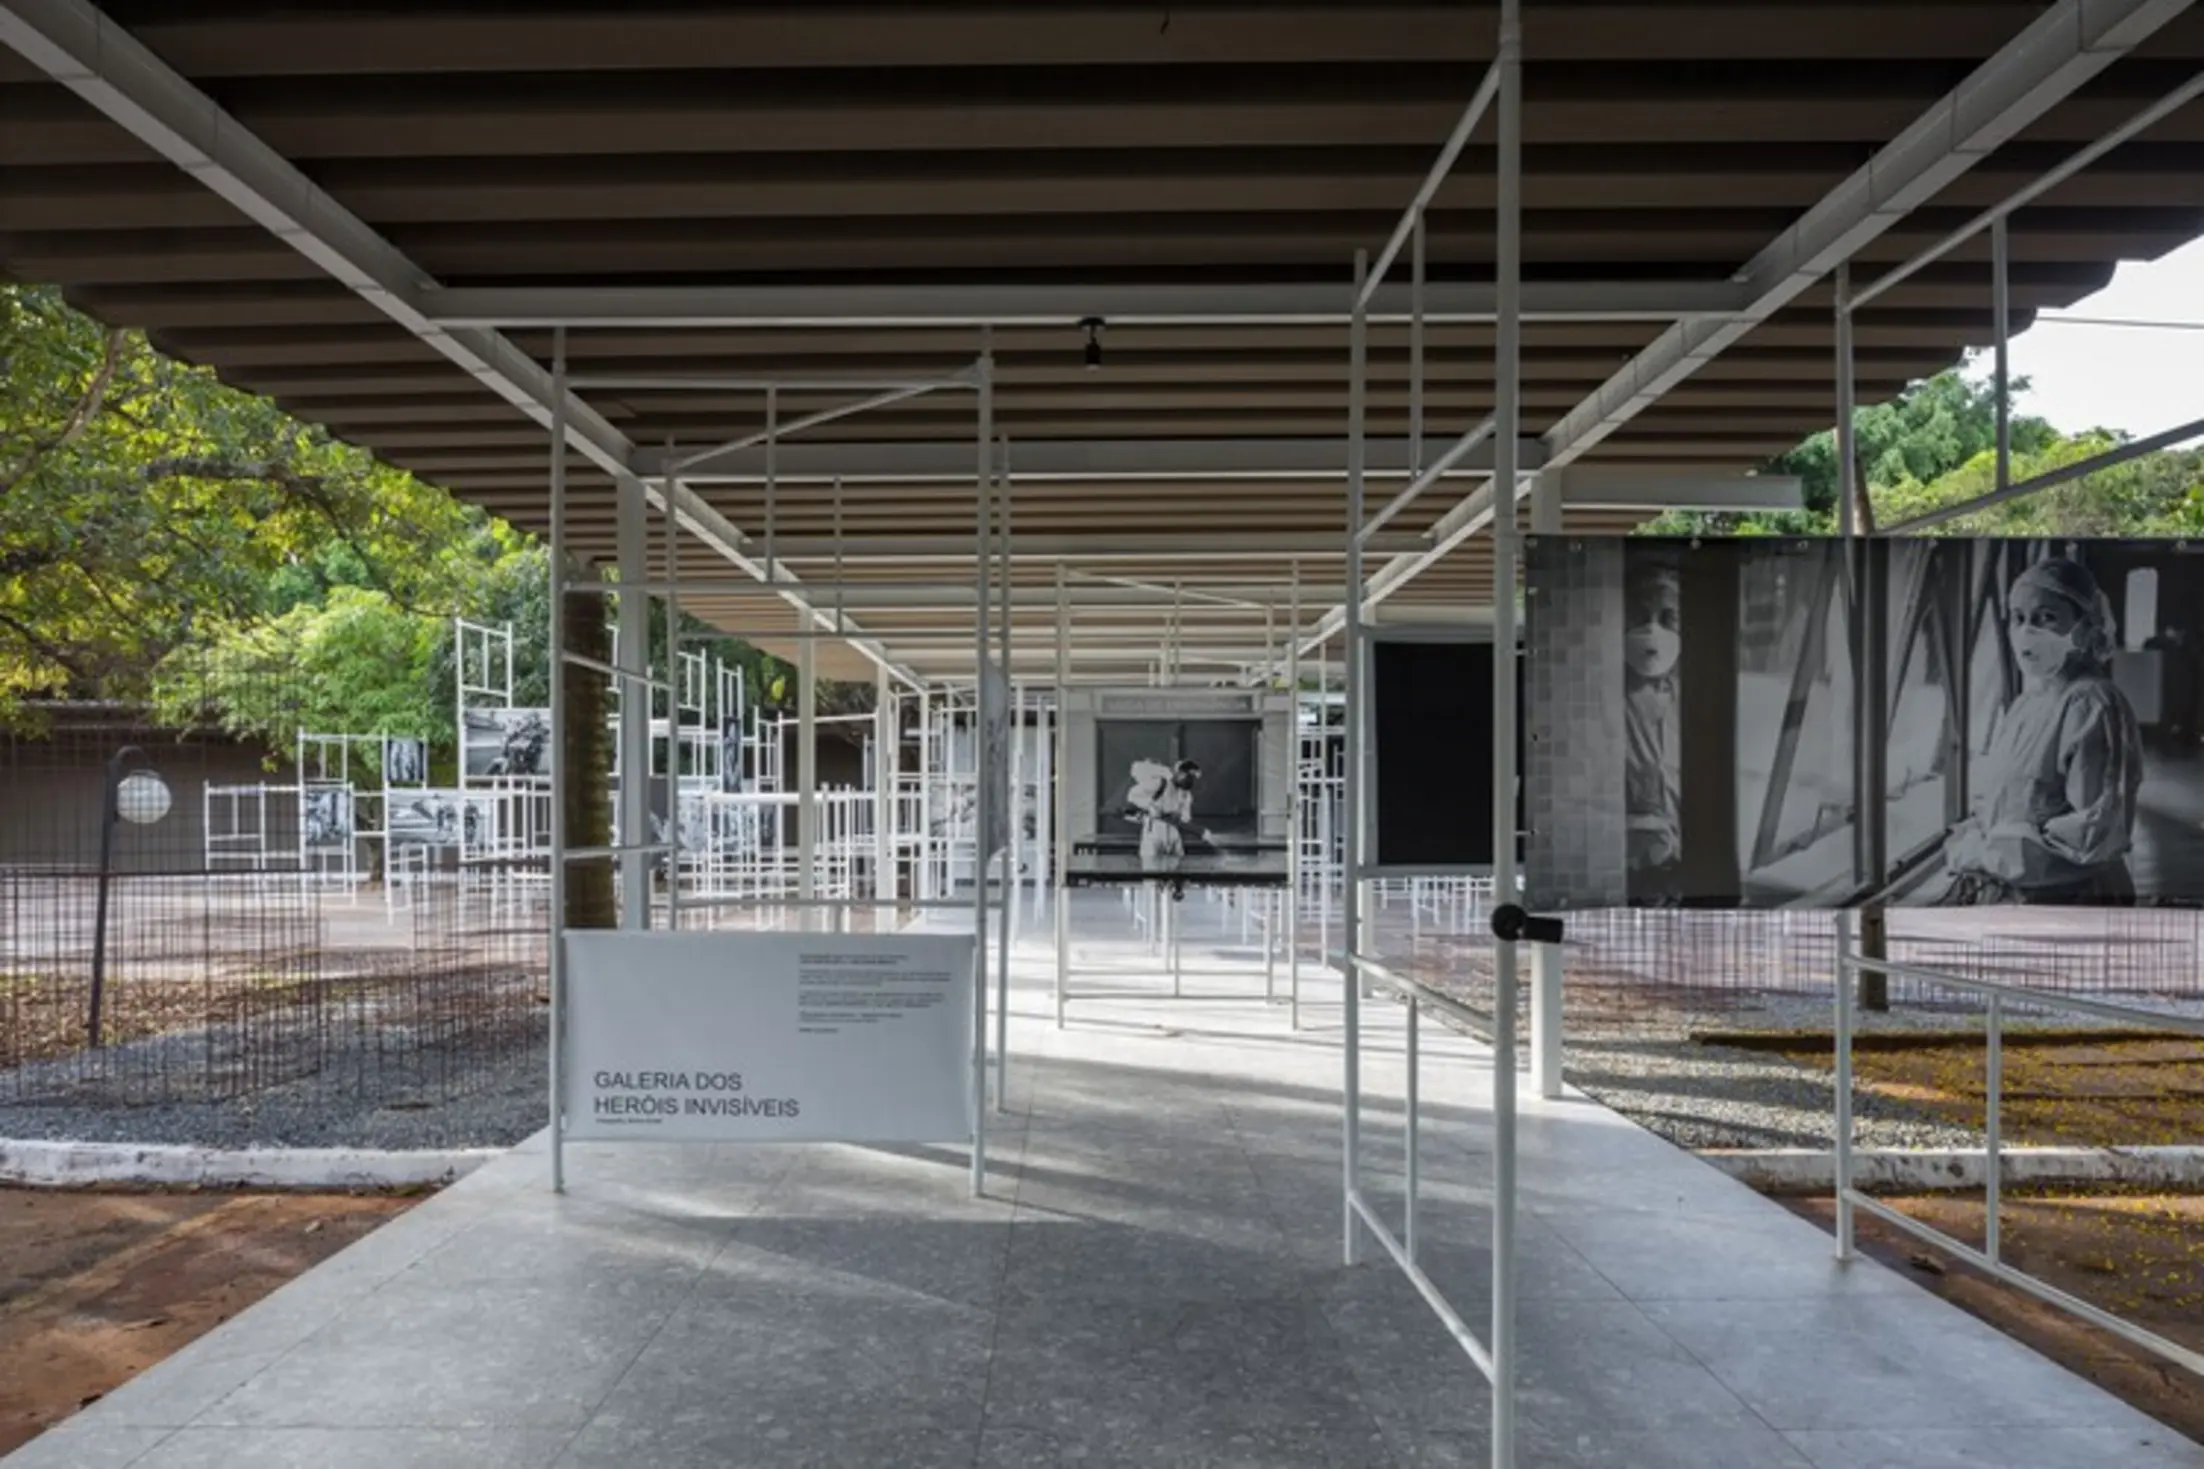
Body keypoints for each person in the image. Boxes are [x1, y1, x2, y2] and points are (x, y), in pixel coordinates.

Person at [1941, 554, 2143, 904]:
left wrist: (1985, 854)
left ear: (2085, 624)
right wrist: (1975, 839)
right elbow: (2002, 802)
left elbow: (2092, 835)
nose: (2026, 631)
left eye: (2046, 618)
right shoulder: (2028, 703)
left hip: (2069, 902)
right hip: (2014, 896)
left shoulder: (2093, 704)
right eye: (2018, 618)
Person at [1623, 561, 1684, 896]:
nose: (1651, 630)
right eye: (1640, 617)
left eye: (1667, 618)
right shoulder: (1601, 701)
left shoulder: (1698, 703)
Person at [1123, 757, 1209, 866]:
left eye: (1192, 778)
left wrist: (1196, 830)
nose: (1190, 781)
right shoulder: (1160, 784)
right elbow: (1133, 795)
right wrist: (1150, 806)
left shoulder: (1186, 795)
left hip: (1174, 834)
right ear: (1179, 773)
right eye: (1188, 776)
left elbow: (1185, 819)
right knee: (1152, 871)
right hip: (1154, 831)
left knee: (1176, 871)